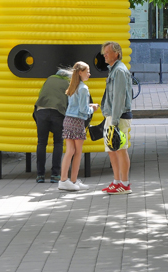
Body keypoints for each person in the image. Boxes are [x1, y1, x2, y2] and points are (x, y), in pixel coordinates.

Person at [58, 61, 98, 191]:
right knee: (77, 152)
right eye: (87, 71)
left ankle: (64, 180)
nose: (89, 74)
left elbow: (75, 106)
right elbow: (83, 110)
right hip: (77, 121)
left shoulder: (73, 86)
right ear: (80, 72)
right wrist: (93, 108)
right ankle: (72, 180)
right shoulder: (84, 88)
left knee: (69, 151)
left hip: (68, 119)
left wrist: (88, 106)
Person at [100, 41, 133, 195]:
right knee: (113, 150)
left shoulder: (119, 71)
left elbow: (119, 97)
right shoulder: (114, 70)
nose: (104, 55)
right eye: (104, 53)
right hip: (113, 116)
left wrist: (114, 121)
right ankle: (117, 181)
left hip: (118, 117)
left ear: (116, 53)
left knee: (120, 149)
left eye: (107, 52)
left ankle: (125, 184)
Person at [33, 69, 71, 183]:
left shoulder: (49, 79)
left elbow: (41, 94)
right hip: (57, 113)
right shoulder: (67, 83)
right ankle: (55, 174)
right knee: (58, 143)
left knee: (41, 143)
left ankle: (40, 175)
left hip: (41, 111)